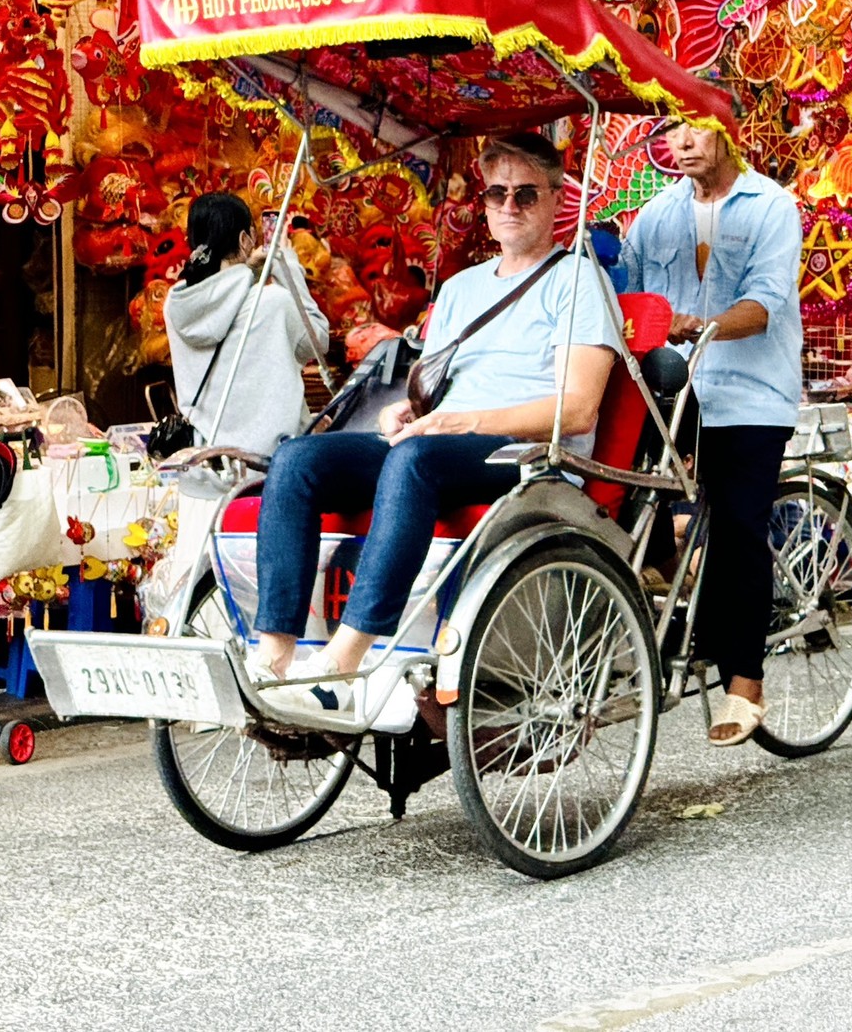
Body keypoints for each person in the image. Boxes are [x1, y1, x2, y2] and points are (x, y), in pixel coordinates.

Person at [248, 132, 624, 710]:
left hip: (527, 454)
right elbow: (434, 386)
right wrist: (413, 407)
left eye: (526, 195)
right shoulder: (459, 289)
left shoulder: (576, 281)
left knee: (414, 460)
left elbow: (577, 408)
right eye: (497, 194)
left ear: (555, 199)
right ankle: (274, 655)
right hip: (443, 439)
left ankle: (342, 665)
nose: (509, 207)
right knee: (298, 458)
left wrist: (460, 422)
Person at [621, 122, 802, 748]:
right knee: (617, 494)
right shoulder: (652, 217)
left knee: (736, 525)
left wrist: (705, 324)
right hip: (670, 388)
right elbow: (631, 301)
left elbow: (765, 301)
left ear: (728, 131)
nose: (684, 144)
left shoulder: (772, 206)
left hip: (749, 391)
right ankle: (671, 571)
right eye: (672, 133)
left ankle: (745, 682)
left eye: (696, 128)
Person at [163, 192, 328, 455]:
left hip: (208, 461)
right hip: (269, 463)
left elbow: (221, 299)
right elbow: (318, 342)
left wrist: (248, 271)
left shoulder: (176, 303)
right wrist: (288, 268)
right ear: (244, 239)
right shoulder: (273, 301)